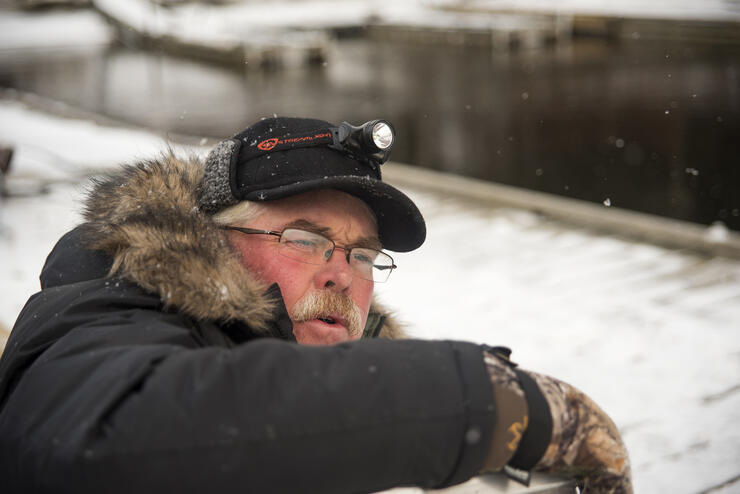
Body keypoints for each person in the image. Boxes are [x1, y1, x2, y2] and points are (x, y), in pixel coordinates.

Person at [0, 117, 632, 493]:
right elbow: (104, 440)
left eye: (362, 255)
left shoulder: (339, 383)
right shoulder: (105, 311)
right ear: (212, 242)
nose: (342, 274)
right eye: (305, 239)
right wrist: (486, 402)